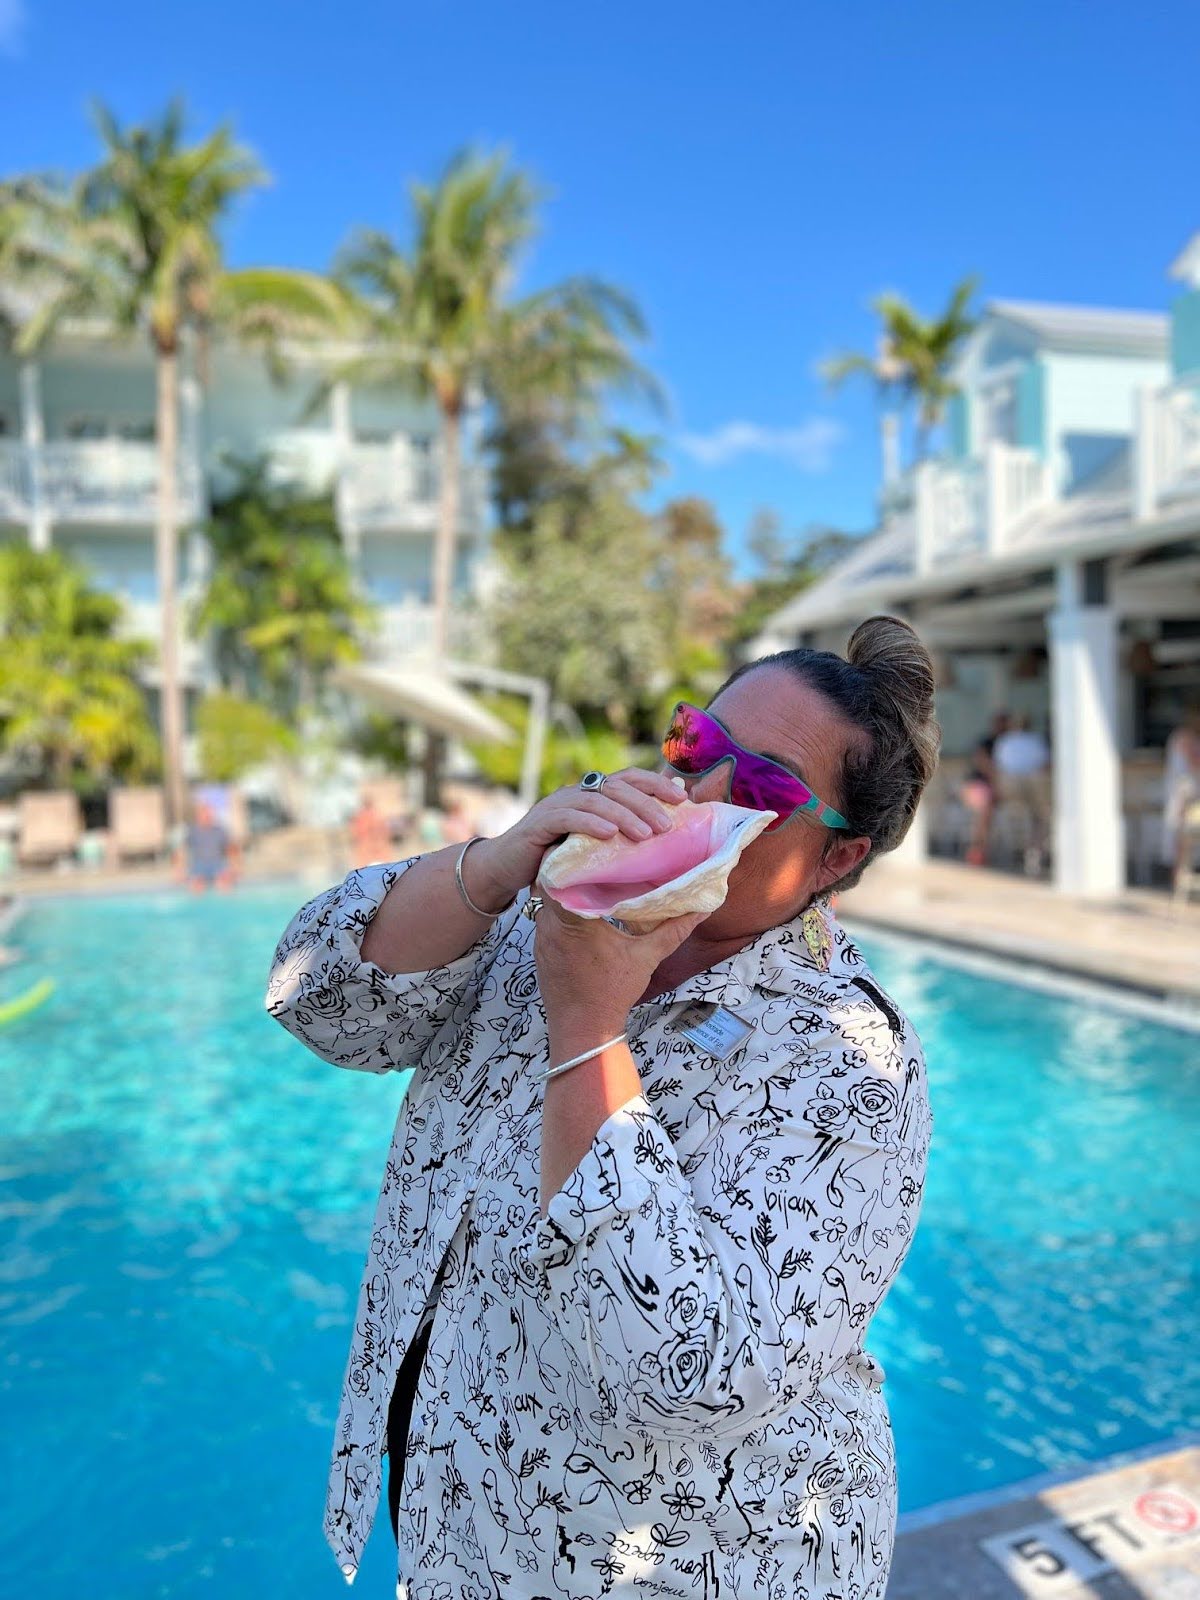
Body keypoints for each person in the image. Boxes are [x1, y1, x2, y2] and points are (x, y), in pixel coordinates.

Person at [265, 615, 940, 1600]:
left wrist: (589, 1028)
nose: (701, 790)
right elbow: (317, 1000)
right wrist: (498, 863)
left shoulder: (852, 1067)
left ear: (837, 861)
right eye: (696, 745)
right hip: (472, 1538)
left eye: (760, 785)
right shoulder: (545, 908)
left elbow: (687, 1378)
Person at [992, 713, 1052, 874]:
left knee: (1036, 817)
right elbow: (1046, 765)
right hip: (1026, 797)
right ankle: (1032, 853)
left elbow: (998, 769)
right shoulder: (1034, 741)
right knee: (1041, 818)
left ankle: (1029, 853)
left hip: (1016, 797)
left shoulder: (1005, 742)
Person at [960, 710, 1010, 866]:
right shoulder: (987, 742)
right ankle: (977, 849)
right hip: (976, 787)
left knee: (988, 809)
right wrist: (995, 779)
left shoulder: (1008, 743)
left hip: (997, 790)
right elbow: (982, 763)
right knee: (984, 809)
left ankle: (979, 848)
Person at [1163, 699, 1200, 894]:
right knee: (1180, 843)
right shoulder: (1184, 738)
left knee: (1181, 843)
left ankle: (1179, 885)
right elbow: (1194, 764)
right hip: (1182, 799)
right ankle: (1178, 885)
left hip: (1188, 799)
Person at [173, 796, 238, 893]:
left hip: (217, 864)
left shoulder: (220, 830)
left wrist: (234, 867)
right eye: (204, 813)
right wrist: (178, 871)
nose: (207, 816)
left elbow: (231, 849)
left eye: (209, 813)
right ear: (198, 815)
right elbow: (181, 850)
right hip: (198, 865)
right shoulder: (192, 830)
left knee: (225, 886)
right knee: (196, 888)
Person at [348, 793, 393, 870]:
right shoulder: (371, 816)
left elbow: (384, 832)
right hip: (368, 851)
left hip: (374, 851)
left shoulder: (368, 816)